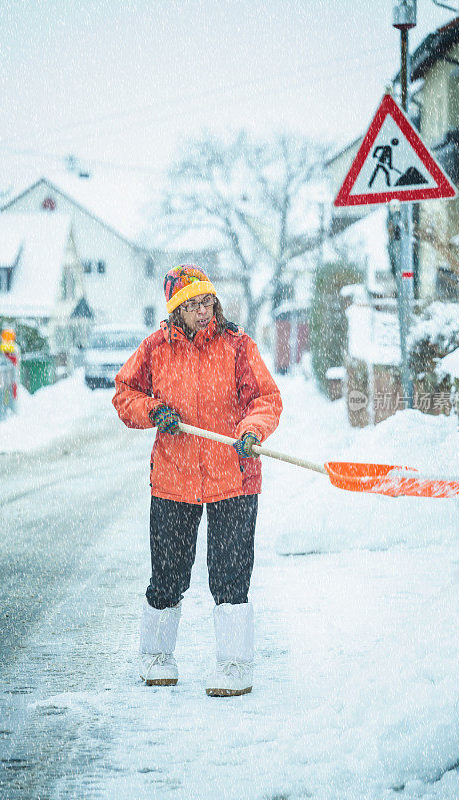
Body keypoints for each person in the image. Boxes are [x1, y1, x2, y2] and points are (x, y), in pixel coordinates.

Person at [112, 264, 282, 697]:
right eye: (191, 306)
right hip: (174, 477)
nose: (203, 311)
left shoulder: (239, 345)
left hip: (235, 474)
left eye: (207, 301)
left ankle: (233, 664)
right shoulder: (155, 348)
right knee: (168, 574)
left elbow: (266, 397)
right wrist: (153, 411)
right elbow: (124, 393)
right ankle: (156, 655)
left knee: (230, 575)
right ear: (175, 310)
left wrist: (252, 430)